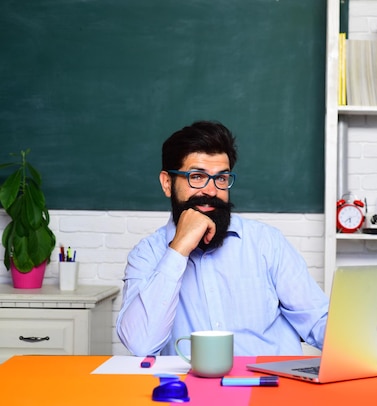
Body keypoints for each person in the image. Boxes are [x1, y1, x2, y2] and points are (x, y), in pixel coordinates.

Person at [116, 120, 329, 356]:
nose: (211, 190)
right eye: (196, 177)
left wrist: (366, 352)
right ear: (167, 183)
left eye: (221, 178)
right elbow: (139, 345)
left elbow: (318, 320)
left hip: (269, 386)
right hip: (188, 389)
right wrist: (178, 250)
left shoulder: (266, 243)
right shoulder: (147, 254)